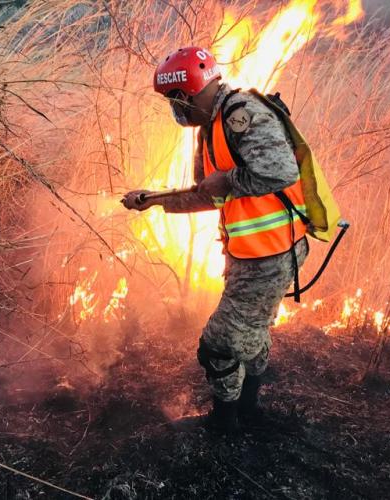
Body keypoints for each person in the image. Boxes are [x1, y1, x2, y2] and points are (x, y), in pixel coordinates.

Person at [122, 46, 309, 432]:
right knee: (251, 332)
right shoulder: (211, 129)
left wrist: (229, 180)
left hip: (271, 256)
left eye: (174, 100)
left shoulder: (242, 115)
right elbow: (209, 195)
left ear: (188, 93)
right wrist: (153, 200)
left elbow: (281, 172)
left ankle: (225, 424)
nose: (174, 110)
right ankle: (249, 412)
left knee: (218, 346)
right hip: (251, 254)